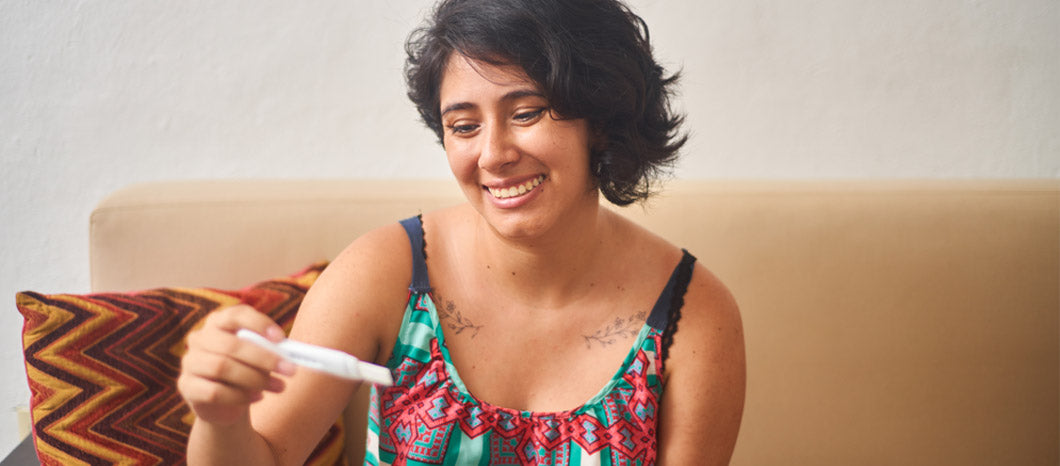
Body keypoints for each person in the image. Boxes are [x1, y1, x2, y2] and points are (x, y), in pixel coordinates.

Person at [177, 0, 745, 464]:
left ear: (600, 117)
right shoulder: (389, 270)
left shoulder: (694, 315)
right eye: (464, 126)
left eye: (526, 113)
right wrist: (219, 417)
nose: (493, 155)